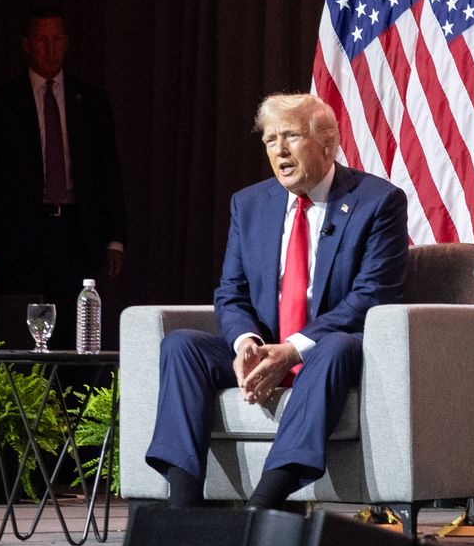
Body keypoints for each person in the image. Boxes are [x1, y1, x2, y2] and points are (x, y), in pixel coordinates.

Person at [145, 94, 410, 511]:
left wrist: (294, 348)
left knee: (336, 346)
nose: (279, 151)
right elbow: (231, 292)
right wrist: (245, 342)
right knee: (181, 347)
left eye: (290, 136)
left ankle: (268, 498)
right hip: (269, 344)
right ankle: (182, 507)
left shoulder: (377, 202)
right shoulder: (250, 204)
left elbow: (372, 295)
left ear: (328, 144)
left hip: (331, 350)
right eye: (270, 140)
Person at [0, 9, 129, 319]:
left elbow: (108, 171)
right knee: (22, 326)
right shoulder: (1, 102)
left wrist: (115, 239)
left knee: (74, 327)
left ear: (66, 43)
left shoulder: (91, 100)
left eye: (57, 39)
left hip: (76, 232)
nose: (50, 49)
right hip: (20, 232)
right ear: (26, 44)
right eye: (41, 40)